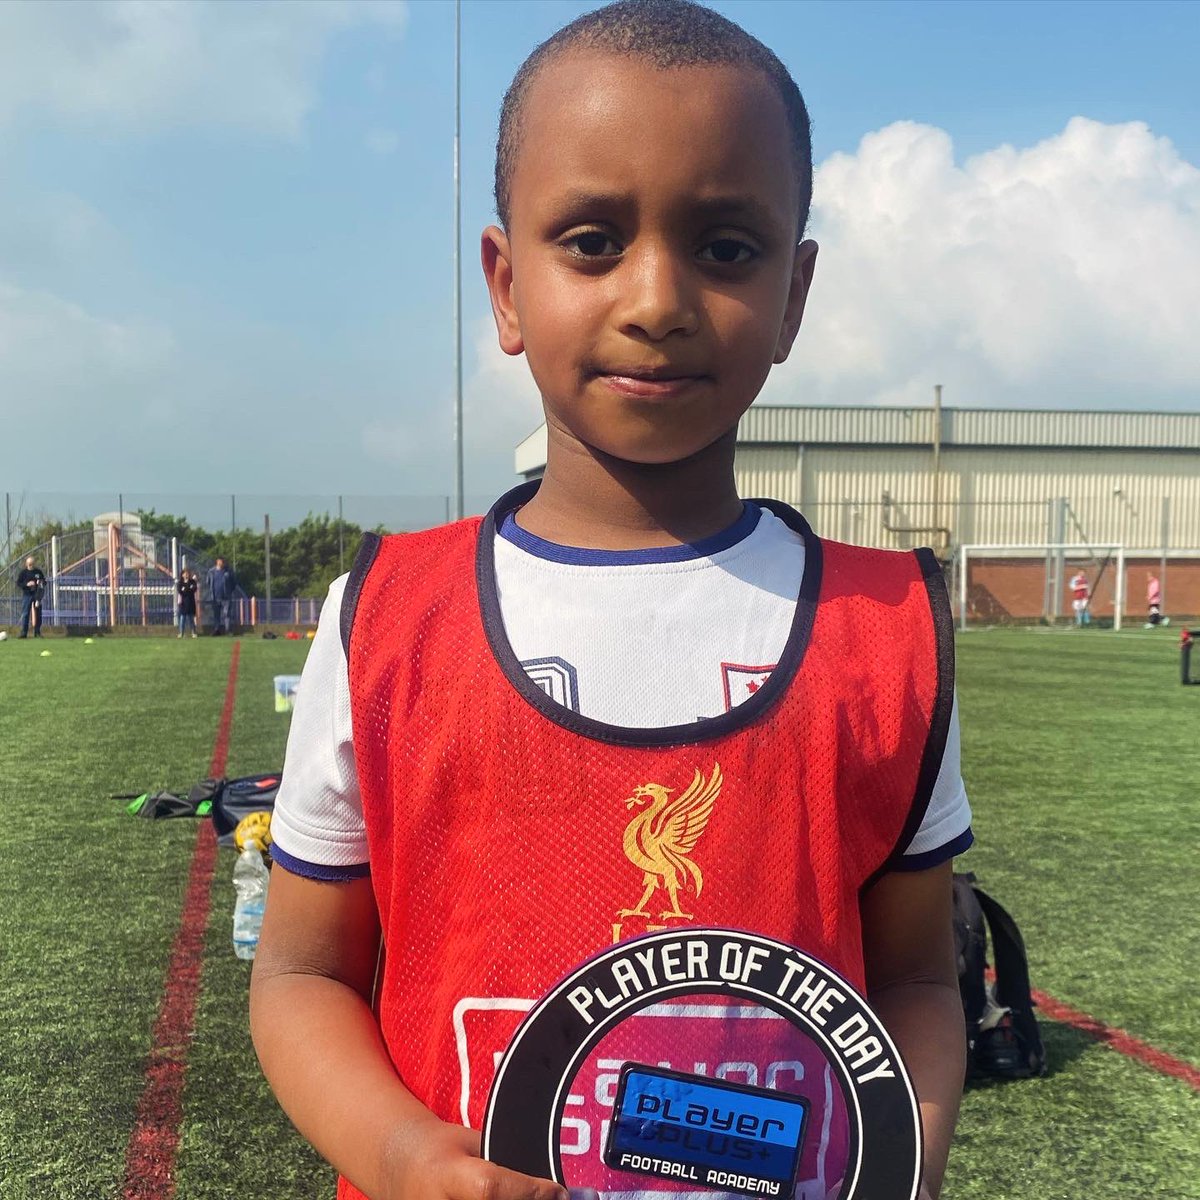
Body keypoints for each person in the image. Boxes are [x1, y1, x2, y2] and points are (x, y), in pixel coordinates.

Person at [251, 5, 971, 1200]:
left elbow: (916, 982)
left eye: (727, 247)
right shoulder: (383, 615)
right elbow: (300, 977)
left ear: (795, 293)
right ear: (506, 284)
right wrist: (402, 1154)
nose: (657, 298)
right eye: (590, 241)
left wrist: (900, 1158)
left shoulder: (885, 631)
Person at [17, 555, 46, 639]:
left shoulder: (38, 572)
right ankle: (24, 633)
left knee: (38, 614)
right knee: (25, 613)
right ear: (26, 564)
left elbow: (44, 582)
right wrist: (26, 584)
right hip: (27, 595)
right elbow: (19, 583)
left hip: (37, 595)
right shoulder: (23, 573)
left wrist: (40, 582)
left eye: (32, 564)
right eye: (29, 564)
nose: (31, 565)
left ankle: (37, 632)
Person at [205, 556, 235, 635]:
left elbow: (233, 582)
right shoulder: (211, 571)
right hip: (215, 597)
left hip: (226, 597)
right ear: (217, 561)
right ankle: (216, 630)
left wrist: (229, 591)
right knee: (216, 615)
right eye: (220, 561)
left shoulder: (228, 571)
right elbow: (208, 582)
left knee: (227, 614)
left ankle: (228, 630)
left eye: (222, 561)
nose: (221, 563)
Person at [176, 567, 199, 638]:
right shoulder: (180, 583)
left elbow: (194, 589)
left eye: (187, 573)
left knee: (191, 619)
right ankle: (181, 633)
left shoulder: (192, 582)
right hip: (183, 604)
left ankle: (194, 633)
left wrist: (186, 588)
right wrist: (188, 588)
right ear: (182, 575)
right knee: (182, 619)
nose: (186, 575)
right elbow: (181, 591)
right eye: (185, 573)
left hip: (191, 603)